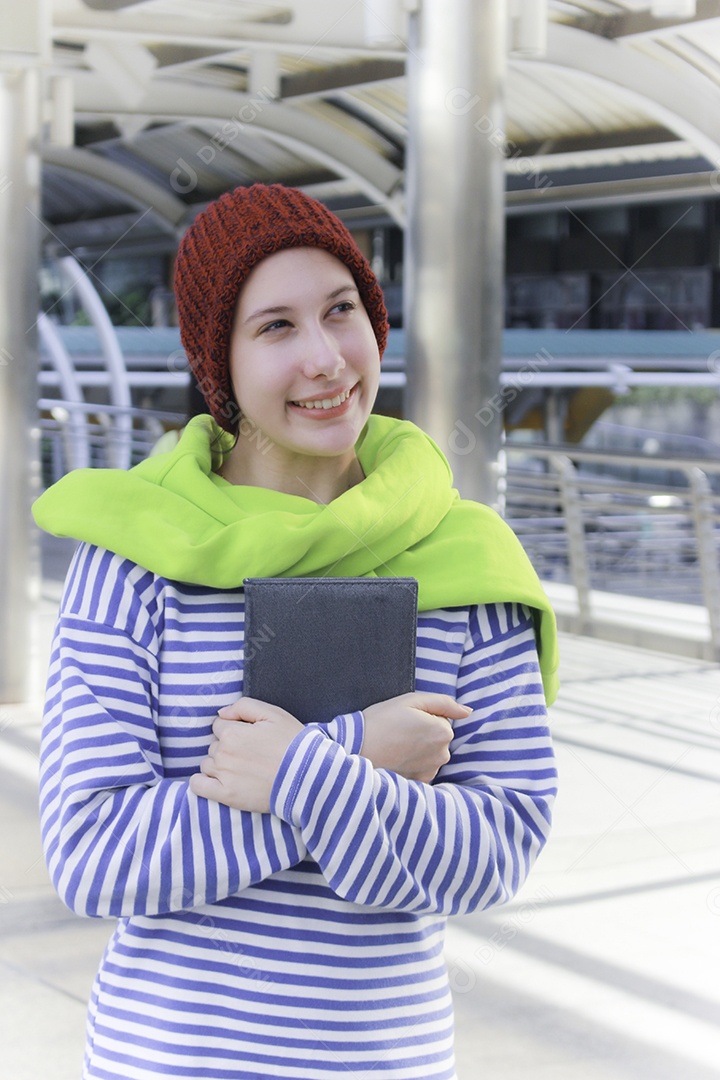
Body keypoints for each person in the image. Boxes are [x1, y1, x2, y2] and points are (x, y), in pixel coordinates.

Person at [33, 183, 559, 1080]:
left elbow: (497, 851)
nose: (325, 359)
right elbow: (93, 858)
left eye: (341, 310)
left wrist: (296, 774)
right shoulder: (135, 556)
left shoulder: (466, 557)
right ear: (221, 363)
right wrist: (355, 754)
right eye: (275, 326)